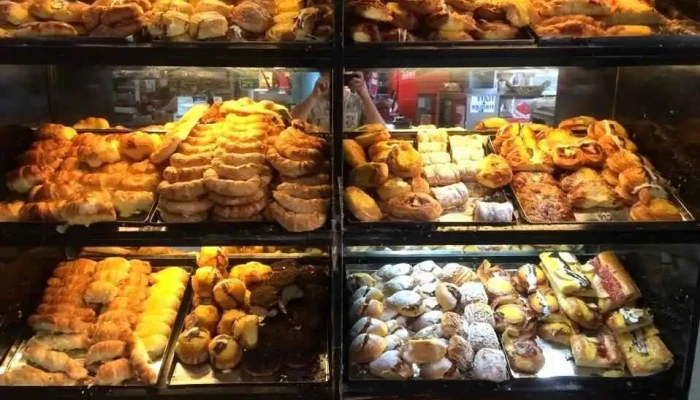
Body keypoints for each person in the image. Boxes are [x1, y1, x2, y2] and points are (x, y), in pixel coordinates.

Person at [291, 73, 385, 131]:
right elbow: (290, 126)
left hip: (353, 151)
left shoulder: (359, 101)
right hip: (319, 150)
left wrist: (365, 96)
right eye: (329, 74)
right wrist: (314, 95)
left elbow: (381, 130)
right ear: (322, 75)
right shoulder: (312, 100)